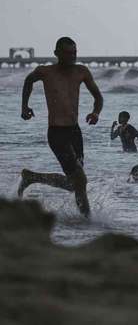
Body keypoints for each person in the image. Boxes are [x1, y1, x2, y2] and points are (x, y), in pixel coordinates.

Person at [17, 37, 103, 218]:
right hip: (57, 133)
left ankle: (32, 177)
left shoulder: (81, 71)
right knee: (80, 180)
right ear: (57, 53)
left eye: (74, 53)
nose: (72, 56)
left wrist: (96, 112)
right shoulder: (46, 72)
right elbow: (28, 81)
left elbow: (98, 96)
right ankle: (87, 221)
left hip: (75, 132)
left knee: (75, 183)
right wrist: (24, 106)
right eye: (68, 53)